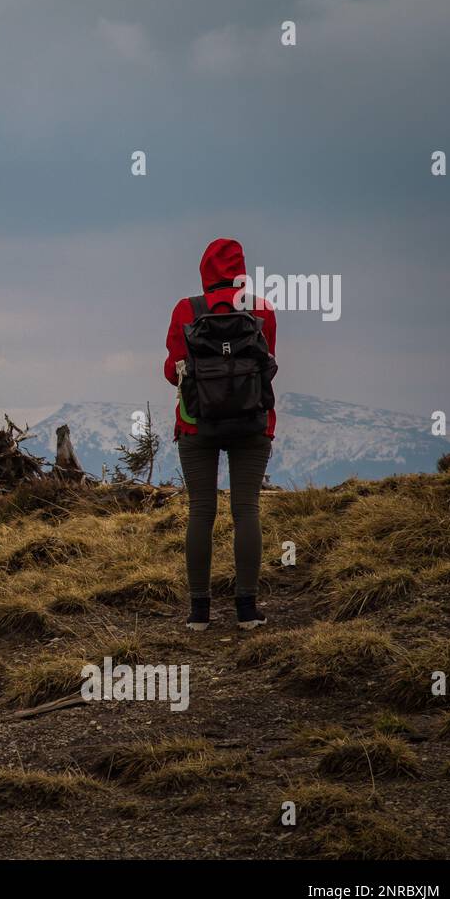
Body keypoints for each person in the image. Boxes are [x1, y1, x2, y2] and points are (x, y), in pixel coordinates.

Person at [164, 238, 277, 631]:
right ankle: (247, 609)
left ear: (204, 269)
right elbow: (269, 363)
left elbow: (170, 370)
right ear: (242, 269)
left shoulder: (187, 309)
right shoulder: (261, 308)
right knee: (246, 510)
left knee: (201, 510)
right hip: (252, 423)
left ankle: (199, 613)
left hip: (197, 423)